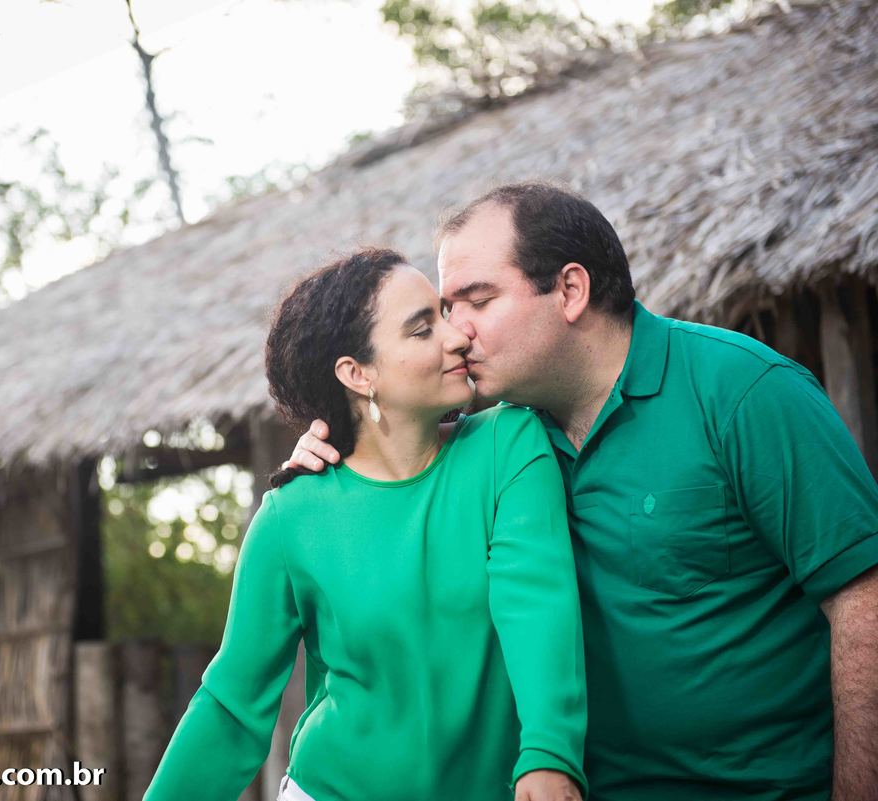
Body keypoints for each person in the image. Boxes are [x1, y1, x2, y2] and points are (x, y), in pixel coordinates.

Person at [286, 183, 878, 801]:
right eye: (442, 308)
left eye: (477, 301)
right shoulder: (486, 447)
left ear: (570, 290)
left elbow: (863, 594)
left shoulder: (743, 392)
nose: (454, 334)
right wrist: (329, 473)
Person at [144, 248, 587, 801]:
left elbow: (537, 598)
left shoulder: (509, 445)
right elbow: (232, 704)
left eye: (444, 315)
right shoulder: (290, 516)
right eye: (422, 329)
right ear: (358, 374)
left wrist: (549, 753)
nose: (456, 337)